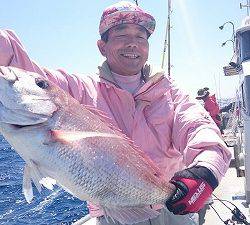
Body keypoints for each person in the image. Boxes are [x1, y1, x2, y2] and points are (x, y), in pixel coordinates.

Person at [0, 1, 231, 225]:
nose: (133, 44)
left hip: (173, 209)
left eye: (140, 37)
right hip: (113, 216)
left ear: (148, 47)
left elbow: (201, 130)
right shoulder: (76, 91)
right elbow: (17, 67)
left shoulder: (172, 94)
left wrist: (206, 170)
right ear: (102, 46)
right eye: (121, 35)